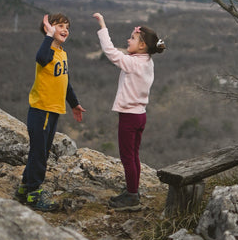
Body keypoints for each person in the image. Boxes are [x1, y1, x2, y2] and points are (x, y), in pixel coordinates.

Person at [92, 11, 165, 211]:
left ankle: (132, 195)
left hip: (129, 117)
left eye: (132, 38)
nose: (128, 40)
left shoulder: (133, 63)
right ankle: (133, 189)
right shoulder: (147, 62)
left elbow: (110, 52)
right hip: (140, 115)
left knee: (127, 157)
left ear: (142, 45)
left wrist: (103, 26)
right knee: (134, 155)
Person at [15, 12, 85, 212]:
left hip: (53, 110)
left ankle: (24, 187)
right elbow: (41, 57)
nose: (65, 30)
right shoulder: (47, 53)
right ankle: (34, 193)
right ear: (48, 29)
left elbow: (65, 81)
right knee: (39, 153)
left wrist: (74, 103)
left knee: (41, 151)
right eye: (59, 26)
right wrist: (48, 36)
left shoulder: (62, 53)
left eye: (67, 27)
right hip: (41, 110)